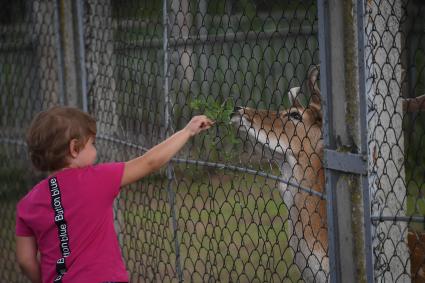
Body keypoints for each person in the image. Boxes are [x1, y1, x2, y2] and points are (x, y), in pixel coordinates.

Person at [15, 106, 213, 283]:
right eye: (91, 143)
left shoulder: (27, 204)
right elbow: (149, 162)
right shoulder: (97, 179)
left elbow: (25, 260)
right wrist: (187, 131)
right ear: (74, 149)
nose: (95, 149)